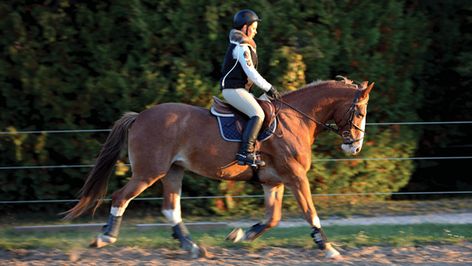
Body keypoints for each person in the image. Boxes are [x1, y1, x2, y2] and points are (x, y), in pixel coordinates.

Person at [220, 9, 281, 167]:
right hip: (232, 89)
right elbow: (251, 73)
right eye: (253, 28)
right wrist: (269, 88)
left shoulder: (245, 45)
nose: (255, 32)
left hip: (241, 90)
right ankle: (244, 153)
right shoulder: (241, 46)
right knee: (258, 113)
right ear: (245, 28)